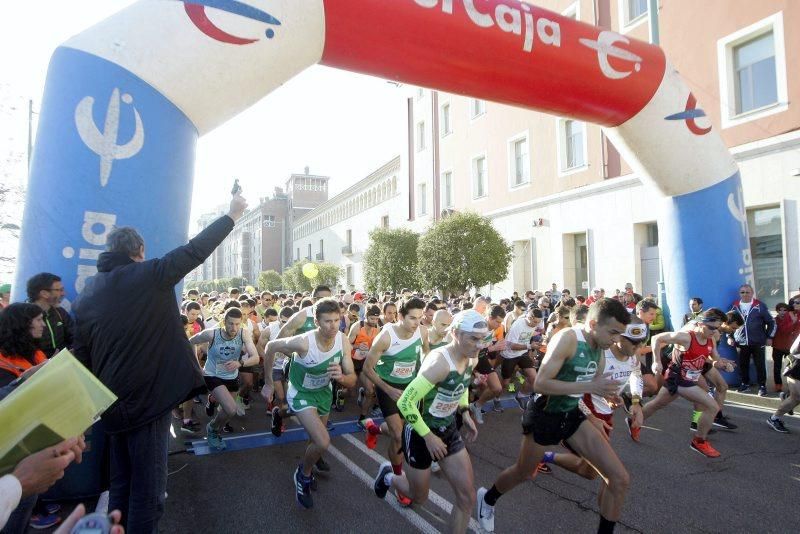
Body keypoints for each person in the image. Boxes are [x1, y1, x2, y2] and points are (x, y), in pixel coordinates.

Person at [72, 191, 247, 532]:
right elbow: (195, 250)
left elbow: (81, 357)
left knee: (119, 487)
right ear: (139, 253)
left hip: (109, 407)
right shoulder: (150, 274)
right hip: (148, 401)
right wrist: (232, 215)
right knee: (149, 495)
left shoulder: (88, 293)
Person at [476, 298, 630, 533]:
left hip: (572, 414)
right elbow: (541, 384)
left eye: (620, 334)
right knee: (523, 472)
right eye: (613, 332)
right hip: (545, 414)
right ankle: (487, 500)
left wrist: (604, 399)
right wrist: (590, 387)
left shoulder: (599, 350)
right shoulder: (568, 339)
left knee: (619, 479)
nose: (616, 339)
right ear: (593, 323)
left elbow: (583, 387)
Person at [373, 310, 483, 534]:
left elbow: (461, 386)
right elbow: (405, 403)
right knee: (418, 497)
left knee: (467, 497)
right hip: (419, 433)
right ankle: (389, 476)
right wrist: (428, 437)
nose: (479, 344)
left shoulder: (472, 356)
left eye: (482, 339)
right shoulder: (439, 363)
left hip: (448, 430)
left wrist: (464, 412)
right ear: (455, 334)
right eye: (473, 338)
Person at [261, 298, 356, 508]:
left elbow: (352, 379)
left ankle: (280, 414)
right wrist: (268, 382)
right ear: (317, 323)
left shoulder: (343, 340)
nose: (333, 326)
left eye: (336, 320)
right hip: (301, 392)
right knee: (322, 441)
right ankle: (302, 475)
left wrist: (342, 378)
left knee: (314, 440)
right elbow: (270, 347)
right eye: (327, 321)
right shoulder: (303, 342)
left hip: (323, 393)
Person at [362, 297, 429, 507]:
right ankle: (399, 480)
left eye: (420, 317)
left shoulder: (423, 331)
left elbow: (426, 354)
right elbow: (367, 368)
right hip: (388, 387)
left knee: (405, 431)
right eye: (412, 318)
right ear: (400, 316)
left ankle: (373, 429)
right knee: (399, 435)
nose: (416, 322)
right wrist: (389, 390)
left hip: (411, 387)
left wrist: (425, 379)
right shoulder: (386, 337)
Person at [638, 308, 730, 458]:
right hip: (678, 378)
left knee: (657, 404)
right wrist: (656, 362)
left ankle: (633, 420)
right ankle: (699, 441)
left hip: (690, 379)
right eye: (712, 327)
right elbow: (657, 339)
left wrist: (723, 364)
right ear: (700, 323)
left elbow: (715, 359)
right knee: (711, 406)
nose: (715, 331)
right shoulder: (686, 337)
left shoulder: (711, 339)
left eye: (718, 328)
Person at [189, 307, 259, 450]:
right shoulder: (212, 334)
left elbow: (256, 357)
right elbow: (191, 341)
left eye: (237, 324)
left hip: (231, 376)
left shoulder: (243, 334)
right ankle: (213, 429)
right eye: (231, 324)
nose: (234, 328)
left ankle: (213, 403)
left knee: (227, 411)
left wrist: (240, 363)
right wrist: (197, 366)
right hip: (212, 374)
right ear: (224, 322)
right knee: (231, 409)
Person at [731, 284, 776, 396]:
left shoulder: (760, 305)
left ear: (752, 293)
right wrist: (730, 337)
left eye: (747, 292)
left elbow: (771, 322)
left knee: (760, 365)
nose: (745, 294)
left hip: (758, 341)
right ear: (739, 294)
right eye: (742, 292)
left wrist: (769, 337)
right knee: (743, 365)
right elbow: (728, 324)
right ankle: (744, 384)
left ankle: (762, 386)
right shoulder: (734, 306)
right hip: (741, 342)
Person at [26, 273, 73, 360]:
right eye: (60, 290)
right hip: (35, 370)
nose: (63, 293)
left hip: (62, 365)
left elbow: (74, 336)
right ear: (44, 293)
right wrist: (47, 362)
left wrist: (68, 353)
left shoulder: (60, 313)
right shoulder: (22, 316)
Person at [349, 305, 382, 425]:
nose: (374, 322)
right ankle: (339, 396)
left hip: (365, 362)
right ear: (366, 316)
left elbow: (376, 346)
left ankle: (362, 418)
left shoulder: (377, 328)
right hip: (352, 361)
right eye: (372, 319)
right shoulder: (358, 326)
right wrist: (357, 346)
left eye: (376, 319)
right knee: (348, 390)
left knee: (370, 391)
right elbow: (347, 344)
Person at [766, 332, 800, 433]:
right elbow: (793, 350)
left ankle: (787, 397)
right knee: (797, 397)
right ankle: (774, 418)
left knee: (795, 398)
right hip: (798, 365)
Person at [771, 302, 797, 394]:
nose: (782, 312)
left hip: (789, 347)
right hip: (777, 346)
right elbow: (778, 330)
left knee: (791, 367)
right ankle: (778, 385)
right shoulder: (774, 320)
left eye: (785, 310)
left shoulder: (792, 319)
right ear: (777, 311)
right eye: (780, 310)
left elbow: (792, 330)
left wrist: (793, 321)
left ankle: (791, 386)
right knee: (777, 367)